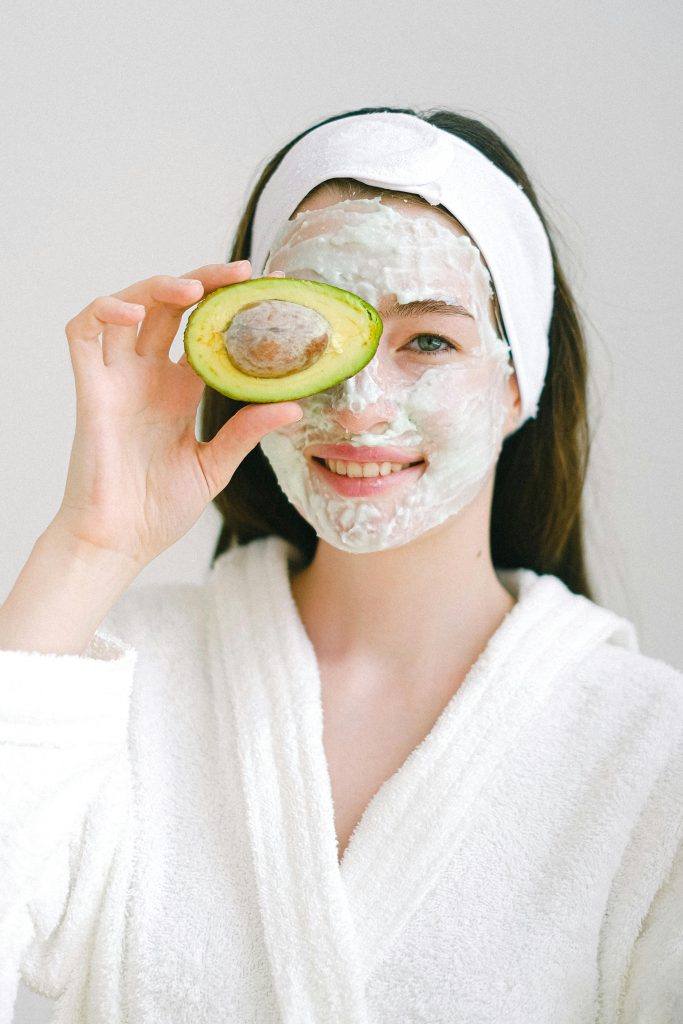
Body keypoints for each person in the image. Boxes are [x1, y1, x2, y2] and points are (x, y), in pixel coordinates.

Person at [1, 106, 681, 1023]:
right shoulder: (117, 680)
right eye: (297, 336)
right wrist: (89, 547)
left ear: (519, 379)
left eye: (429, 341)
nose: (357, 406)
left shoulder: (649, 748)